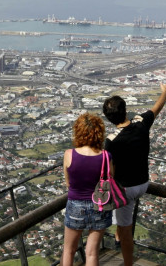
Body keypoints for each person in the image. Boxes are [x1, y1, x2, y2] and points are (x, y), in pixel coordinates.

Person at [103, 79, 166, 266]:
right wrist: (165, 91)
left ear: (108, 118)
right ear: (125, 110)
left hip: (125, 190)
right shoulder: (141, 124)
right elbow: (156, 108)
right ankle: (118, 236)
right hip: (143, 183)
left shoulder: (111, 140)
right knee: (121, 220)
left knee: (126, 230)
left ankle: (127, 261)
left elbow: (110, 171)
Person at [61, 112, 113, 266]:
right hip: (100, 205)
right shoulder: (105, 156)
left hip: (76, 204)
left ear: (78, 131)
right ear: (99, 133)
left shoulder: (69, 154)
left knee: (69, 250)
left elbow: (68, 183)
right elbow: (110, 180)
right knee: (92, 253)